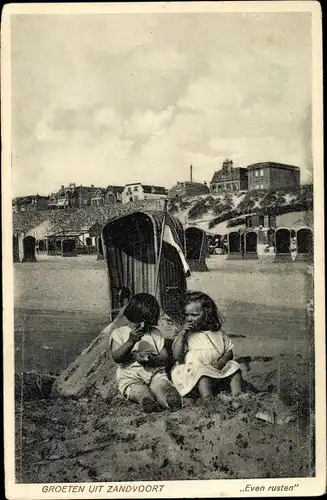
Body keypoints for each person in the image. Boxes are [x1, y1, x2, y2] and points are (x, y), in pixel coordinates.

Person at [109, 293, 182, 413]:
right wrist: (130, 341)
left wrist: (152, 359)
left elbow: (164, 358)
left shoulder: (155, 333)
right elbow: (116, 357)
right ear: (131, 316)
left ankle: (169, 401)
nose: (143, 326)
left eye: (147, 322)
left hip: (154, 373)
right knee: (138, 390)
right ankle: (146, 401)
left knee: (161, 386)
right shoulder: (119, 333)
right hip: (131, 376)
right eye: (138, 321)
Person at [171, 291, 243, 401]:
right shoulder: (186, 335)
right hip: (194, 375)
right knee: (203, 376)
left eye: (194, 315)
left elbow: (229, 351)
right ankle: (207, 399)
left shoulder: (218, 333)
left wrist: (221, 362)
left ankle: (237, 396)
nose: (189, 318)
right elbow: (177, 356)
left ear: (207, 314)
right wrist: (182, 334)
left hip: (216, 370)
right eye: (187, 315)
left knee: (235, 368)